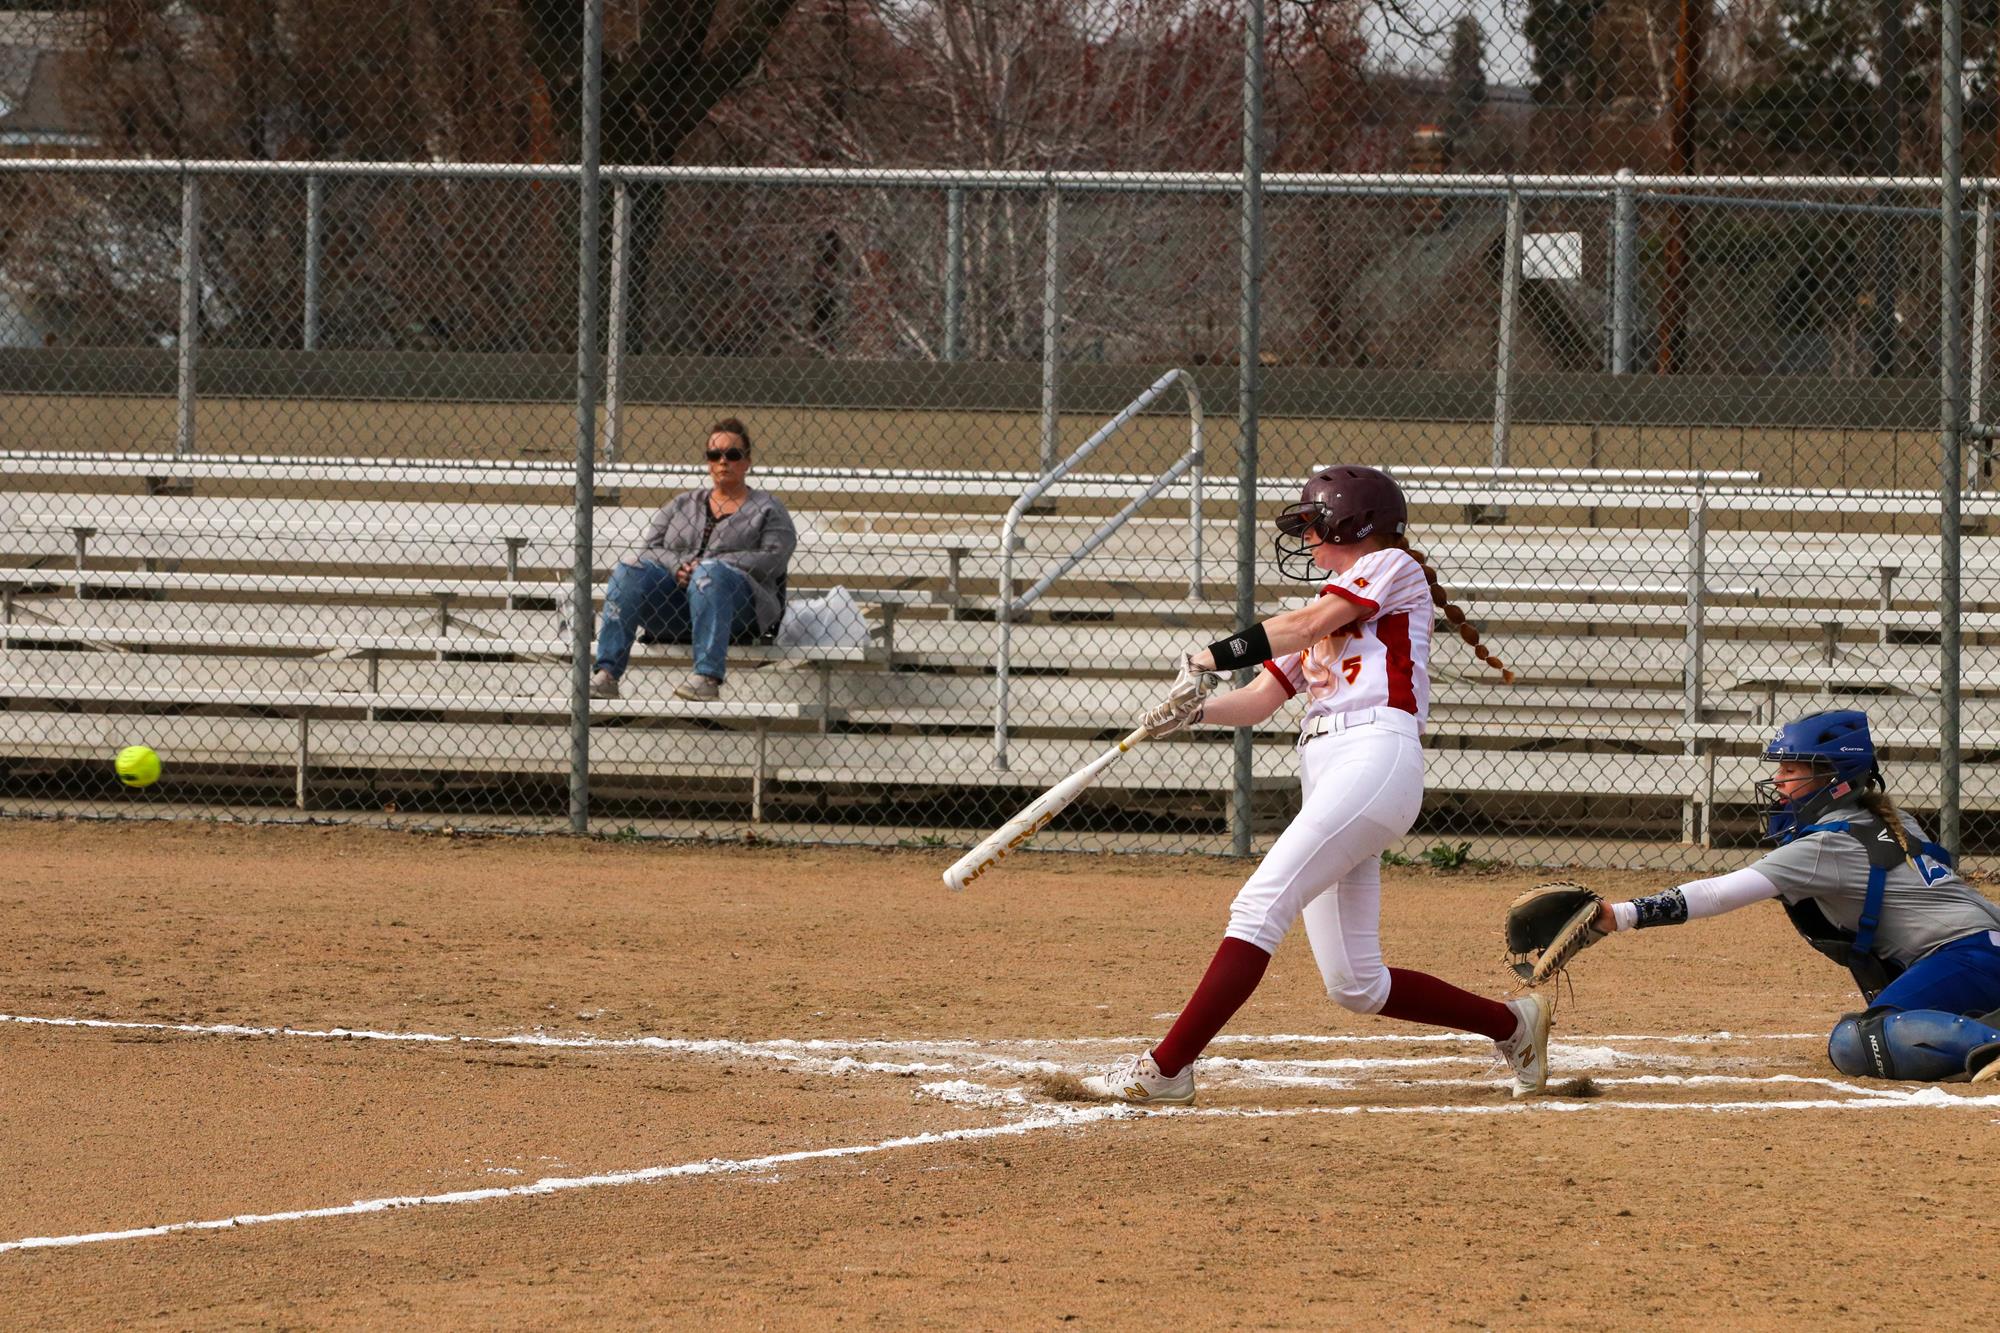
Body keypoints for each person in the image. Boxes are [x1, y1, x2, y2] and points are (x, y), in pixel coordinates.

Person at [1080, 465, 1552, 1107]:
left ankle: (1165, 1070)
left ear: (1355, 523)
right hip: (1330, 769)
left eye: (1313, 525)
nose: (1306, 540)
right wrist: (1191, 713)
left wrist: (1204, 658)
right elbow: (1254, 703)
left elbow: (1301, 627)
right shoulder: (1331, 606)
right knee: (1355, 982)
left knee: (1257, 906)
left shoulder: (1391, 567)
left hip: (1374, 755)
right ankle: (1513, 1025)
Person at [1579, 709, 2000, 1083]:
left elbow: (1718, 892)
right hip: (1980, 952)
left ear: (1833, 780)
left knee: (1856, 1040)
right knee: (1919, 1025)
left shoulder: (1824, 846)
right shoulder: (1893, 817)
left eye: (1792, 772)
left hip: (1968, 956)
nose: (1778, 783)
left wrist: (1620, 914)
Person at [589, 418, 797, 702]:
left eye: (732, 455)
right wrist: (678, 567)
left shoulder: (768, 508)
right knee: (629, 571)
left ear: (747, 461)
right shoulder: (682, 504)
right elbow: (650, 549)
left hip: (736, 610)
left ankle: (707, 678)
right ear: (708, 462)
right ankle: (607, 675)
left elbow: (774, 558)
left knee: (710, 574)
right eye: (715, 455)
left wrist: (713, 565)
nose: (723, 461)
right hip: (675, 607)